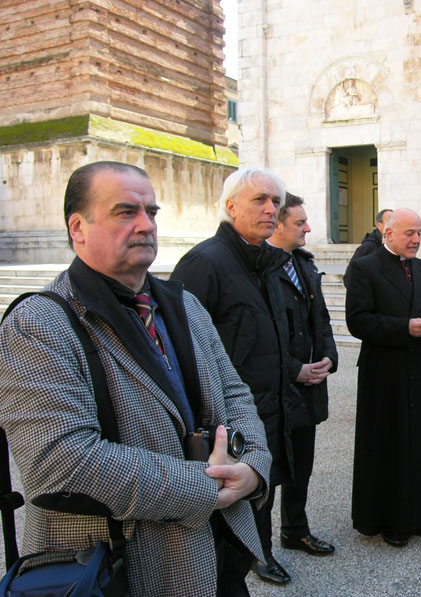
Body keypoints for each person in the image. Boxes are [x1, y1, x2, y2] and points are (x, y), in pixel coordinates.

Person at [0, 161, 271, 596]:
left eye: (152, 212)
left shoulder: (184, 305)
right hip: (118, 570)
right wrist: (207, 486)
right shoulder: (39, 323)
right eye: (126, 212)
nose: (146, 224)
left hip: (217, 555)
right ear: (78, 227)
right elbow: (60, 462)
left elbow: (235, 393)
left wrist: (255, 464)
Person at [171, 168, 320, 586]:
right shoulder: (205, 263)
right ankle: (256, 554)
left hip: (272, 406)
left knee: (266, 486)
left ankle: (264, 548)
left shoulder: (268, 263)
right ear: (231, 205)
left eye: (276, 201)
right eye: (260, 200)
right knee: (229, 529)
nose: (271, 209)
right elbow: (181, 346)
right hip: (227, 419)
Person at [345, 208, 421, 547]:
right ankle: (389, 519)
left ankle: (420, 513)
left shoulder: (420, 267)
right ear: (387, 233)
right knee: (388, 445)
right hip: (383, 374)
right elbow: (358, 321)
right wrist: (404, 327)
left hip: (417, 369)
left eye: (419, 232)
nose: (416, 239)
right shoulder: (364, 267)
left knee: (417, 442)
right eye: (408, 233)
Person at [267, 193, 339, 551]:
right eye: (300, 222)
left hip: (309, 388)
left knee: (302, 468)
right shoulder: (261, 269)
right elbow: (258, 337)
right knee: (265, 474)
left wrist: (329, 356)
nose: (309, 228)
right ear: (277, 224)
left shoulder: (306, 265)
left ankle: (295, 531)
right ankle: (259, 551)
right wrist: (294, 370)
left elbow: (321, 319)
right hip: (275, 390)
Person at [342, 208, 393, 288]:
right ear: (379, 225)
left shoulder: (395, 245)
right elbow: (349, 277)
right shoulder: (368, 247)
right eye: (390, 222)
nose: (393, 226)